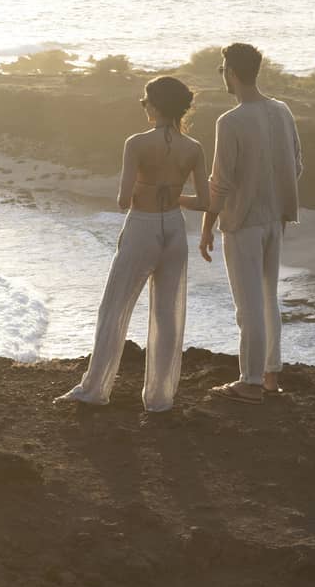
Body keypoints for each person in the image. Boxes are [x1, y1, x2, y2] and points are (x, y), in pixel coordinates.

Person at [57, 76, 208, 412]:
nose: (143, 106)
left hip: (143, 226)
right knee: (167, 315)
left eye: (145, 101)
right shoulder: (194, 148)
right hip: (175, 228)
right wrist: (174, 195)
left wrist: (145, 189)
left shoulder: (136, 143)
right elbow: (204, 202)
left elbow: (124, 200)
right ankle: (159, 398)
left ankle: (94, 389)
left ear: (155, 105)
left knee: (114, 308)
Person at [199, 43, 303, 404]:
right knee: (267, 298)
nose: (222, 75)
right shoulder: (282, 110)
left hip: (243, 221)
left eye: (222, 69)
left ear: (232, 72)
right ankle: (270, 375)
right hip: (276, 218)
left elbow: (221, 182)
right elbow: (297, 163)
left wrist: (206, 226)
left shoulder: (230, 121)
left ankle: (250, 382)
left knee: (248, 305)